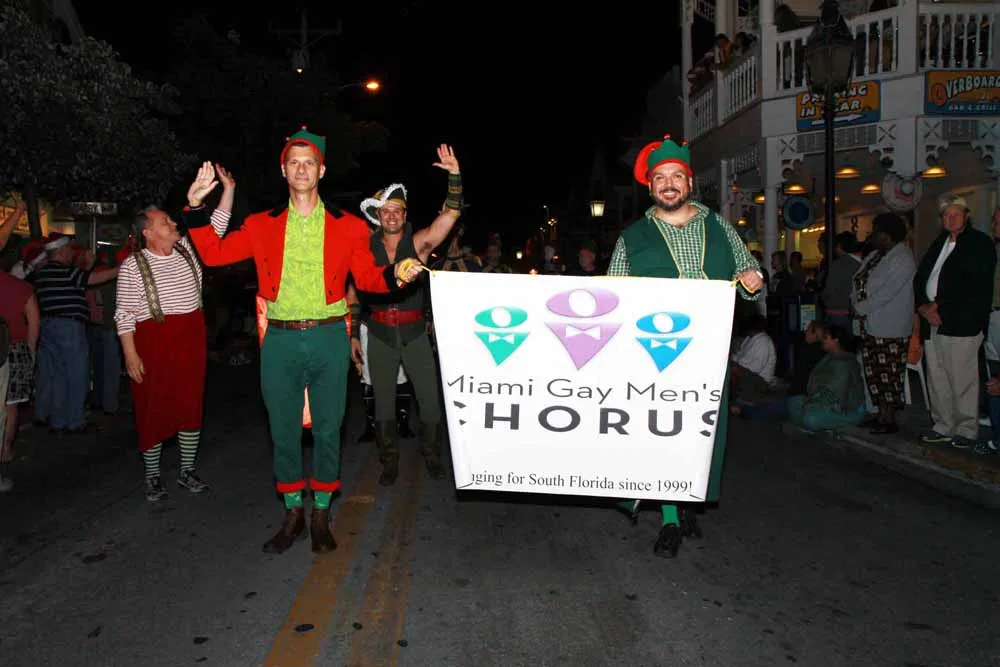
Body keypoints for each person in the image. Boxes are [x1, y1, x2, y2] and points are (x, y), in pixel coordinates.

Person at [182, 128, 423, 554]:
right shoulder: (261, 225)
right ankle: (293, 512)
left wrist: (395, 275)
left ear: (321, 170)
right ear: (283, 171)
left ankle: (321, 514)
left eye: (309, 162)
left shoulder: (349, 227)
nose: (301, 169)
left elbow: (368, 279)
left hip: (329, 337)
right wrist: (197, 207)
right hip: (280, 339)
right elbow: (215, 253)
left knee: (329, 429)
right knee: (283, 431)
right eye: (293, 162)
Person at [607, 134, 763, 558]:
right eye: (660, 178)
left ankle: (687, 497)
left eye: (676, 176)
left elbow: (748, 273)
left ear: (690, 182)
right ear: (651, 187)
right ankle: (671, 518)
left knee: (700, 433)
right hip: (654, 353)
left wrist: (753, 279)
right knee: (662, 432)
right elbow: (613, 296)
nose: (669, 184)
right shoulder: (632, 237)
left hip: (709, 352)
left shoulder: (720, 227)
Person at [115, 163, 234, 502]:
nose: (172, 223)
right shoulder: (133, 265)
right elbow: (124, 314)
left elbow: (216, 227)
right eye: (165, 221)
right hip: (152, 340)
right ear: (149, 233)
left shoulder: (188, 251)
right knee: (152, 407)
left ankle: (186, 470)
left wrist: (228, 190)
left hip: (190, 337)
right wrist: (130, 354)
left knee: (190, 403)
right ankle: (152, 476)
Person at [351, 145, 463, 484]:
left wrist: (454, 176)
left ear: (404, 213)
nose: (391, 215)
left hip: (415, 334)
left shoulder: (419, 243)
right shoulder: (364, 247)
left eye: (396, 210)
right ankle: (389, 460)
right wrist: (353, 334)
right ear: (377, 215)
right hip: (379, 335)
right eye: (385, 210)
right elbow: (353, 292)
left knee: (429, 401)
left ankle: (432, 454)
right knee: (383, 405)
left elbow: (450, 216)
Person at [914, 195, 995, 449]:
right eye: (946, 215)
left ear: (966, 216)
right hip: (932, 320)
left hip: (962, 321)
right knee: (937, 377)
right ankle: (943, 425)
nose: (950, 219)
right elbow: (920, 278)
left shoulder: (979, 243)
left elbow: (972, 282)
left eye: (956, 214)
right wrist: (922, 306)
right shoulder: (939, 243)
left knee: (961, 379)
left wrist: (937, 305)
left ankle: (966, 429)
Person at [850, 213, 916, 435]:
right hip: (870, 324)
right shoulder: (875, 256)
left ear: (886, 235)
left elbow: (886, 293)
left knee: (889, 373)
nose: (872, 236)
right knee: (874, 373)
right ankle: (880, 414)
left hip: (891, 327)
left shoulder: (904, 258)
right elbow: (858, 281)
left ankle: (889, 419)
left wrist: (860, 308)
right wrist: (855, 302)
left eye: (875, 232)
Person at [0, 264, 40, 492]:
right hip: (14, 348)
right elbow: (34, 321)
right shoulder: (20, 287)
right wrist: (30, 352)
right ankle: (5, 449)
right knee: (10, 405)